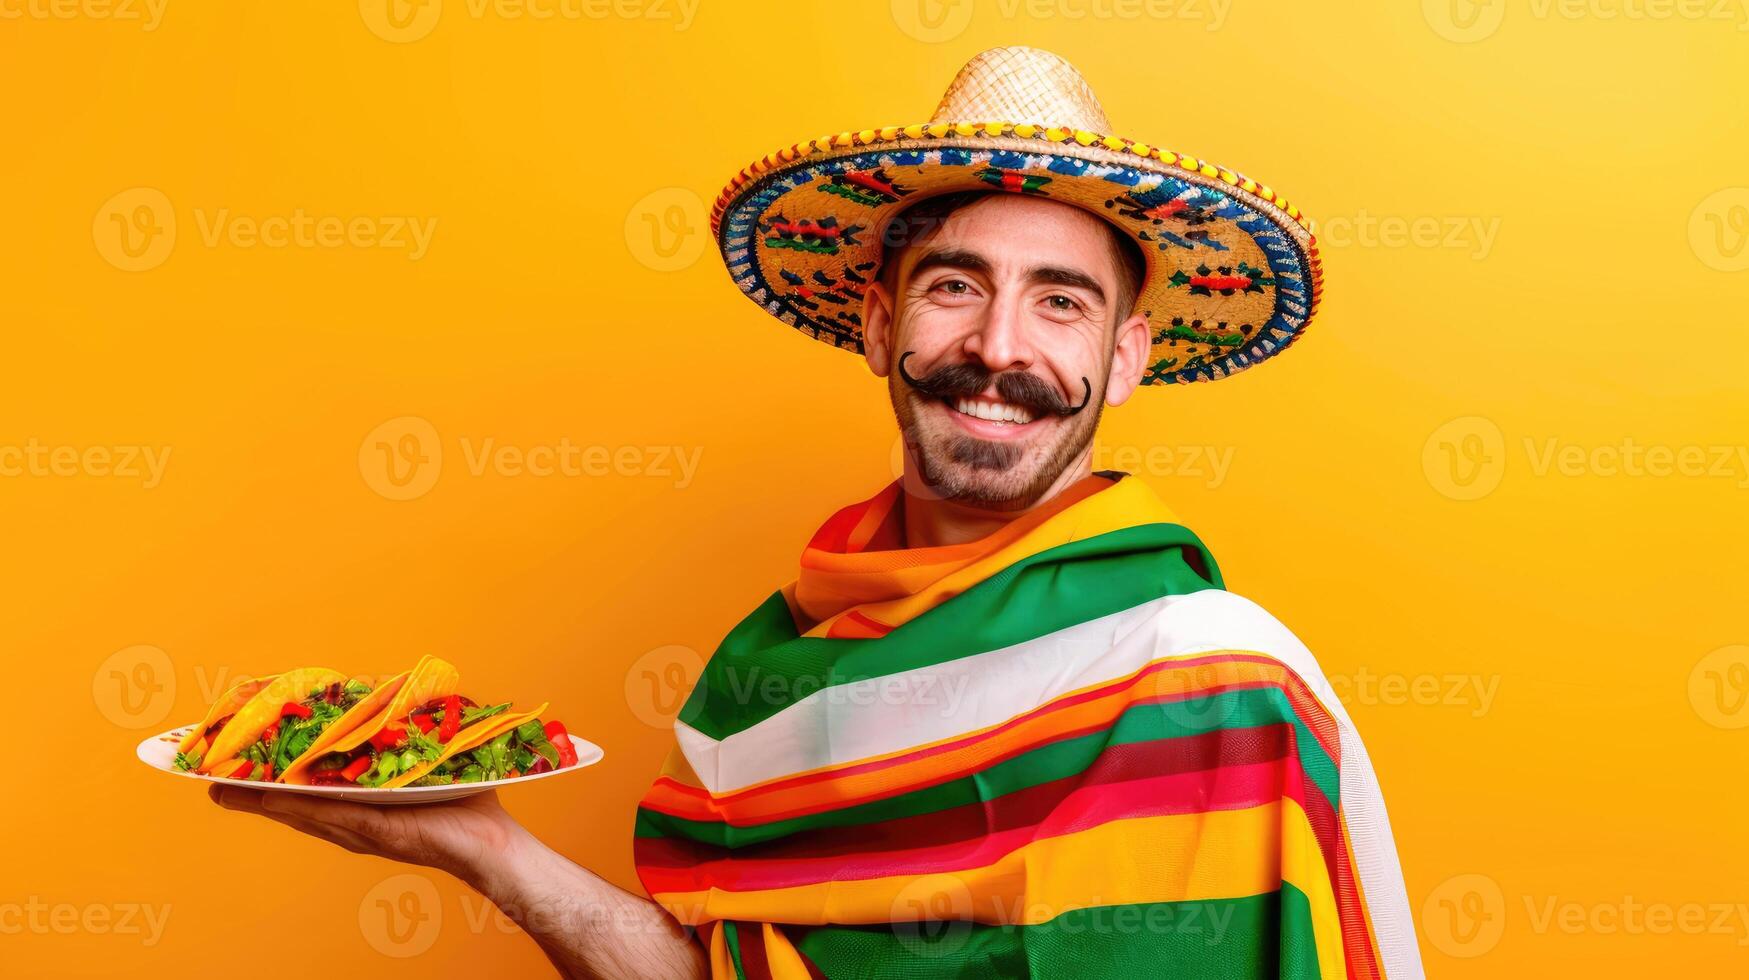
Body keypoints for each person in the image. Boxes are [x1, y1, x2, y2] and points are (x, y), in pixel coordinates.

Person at [214, 46, 1422, 979]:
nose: (999, 348)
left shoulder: (1211, 679)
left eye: (1061, 303)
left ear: (1125, 359)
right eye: (956, 287)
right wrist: (483, 846)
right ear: (880, 326)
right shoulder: (772, 679)